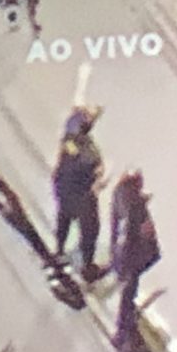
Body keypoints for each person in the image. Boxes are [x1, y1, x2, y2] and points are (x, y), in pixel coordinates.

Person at [106, 169, 161, 352]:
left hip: (124, 259)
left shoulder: (120, 196)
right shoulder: (134, 208)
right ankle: (125, 339)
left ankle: (127, 334)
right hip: (131, 260)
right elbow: (133, 231)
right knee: (128, 299)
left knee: (128, 297)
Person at [51, 105, 106, 279]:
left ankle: (59, 250)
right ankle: (87, 268)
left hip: (64, 187)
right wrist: (98, 169)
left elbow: (72, 126)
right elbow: (87, 162)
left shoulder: (70, 138)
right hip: (79, 193)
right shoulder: (81, 148)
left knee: (64, 218)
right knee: (90, 229)